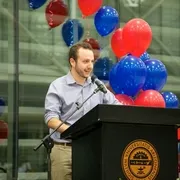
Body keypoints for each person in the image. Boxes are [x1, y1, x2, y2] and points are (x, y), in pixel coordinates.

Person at [44, 42, 121, 180]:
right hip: (64, 150)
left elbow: (116, 107)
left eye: (92, 61)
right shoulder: (58, 86)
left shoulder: (98, 86)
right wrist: (74, 131)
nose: (90, 66)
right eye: (85, 61)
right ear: (72, 62)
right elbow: (51, 119)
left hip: (90, 151)